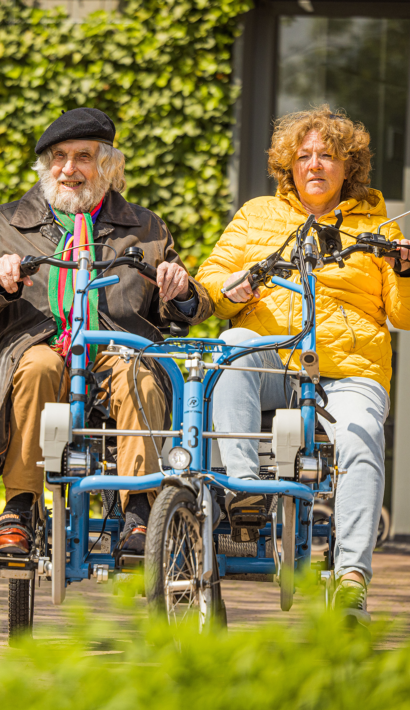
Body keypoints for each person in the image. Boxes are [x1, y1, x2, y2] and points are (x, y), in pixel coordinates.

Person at [0, 108, 212, 558]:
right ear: (45, 166)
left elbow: (180, 303)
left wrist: (179, 290)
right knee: (38, 365)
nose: (68, 169)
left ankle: (139, 512)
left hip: (116, 346)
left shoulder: (145, 227)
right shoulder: (2, 225)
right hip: (38, 346)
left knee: (137, 370)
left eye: (83, 157)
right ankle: (19, 508)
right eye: (58, 157)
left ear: (107, 166)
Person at [196, 106, 410, 624]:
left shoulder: (377, 225)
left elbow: (403, 316)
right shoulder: (256, 215)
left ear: (347, 168)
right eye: (304, 155)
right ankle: (245, 496)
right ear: (288, 166)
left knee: (361, 436)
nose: (314, 165)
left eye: (328, 156)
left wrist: (405, 272)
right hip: (273, 360)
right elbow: (211, 282)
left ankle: (351, 577)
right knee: (236, 343)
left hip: (348, 369)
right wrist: (229, 289)